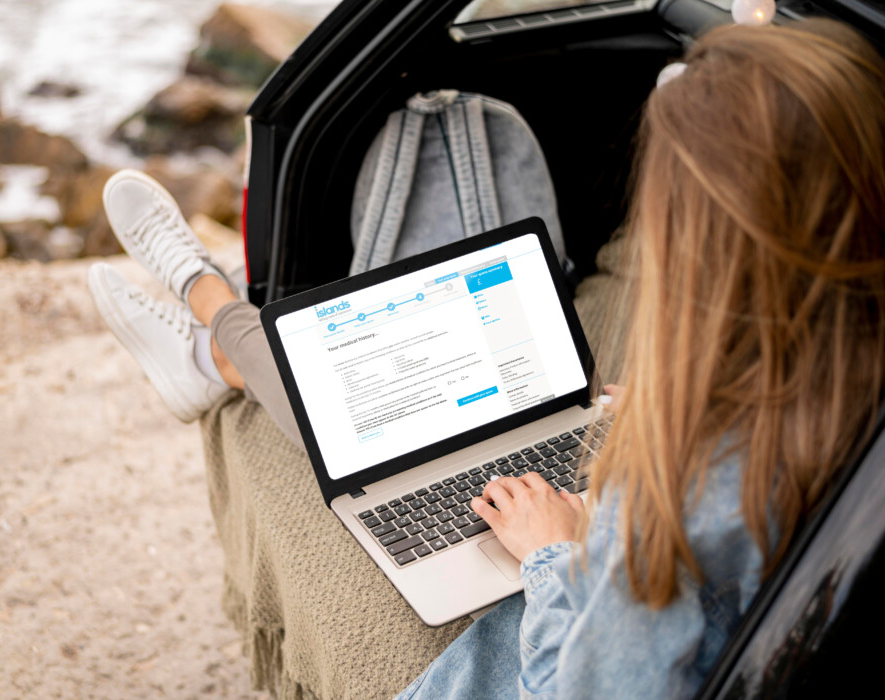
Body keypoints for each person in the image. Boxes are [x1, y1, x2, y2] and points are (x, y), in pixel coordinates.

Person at [87, 17, 885, 699]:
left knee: (337, 422)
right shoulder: (834, 401)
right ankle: (214, 327)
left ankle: (209, 311)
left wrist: (550, 554)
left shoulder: (677, 498)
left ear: (705, 253)